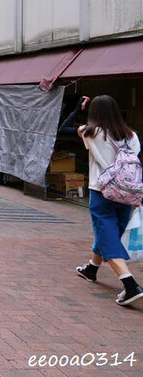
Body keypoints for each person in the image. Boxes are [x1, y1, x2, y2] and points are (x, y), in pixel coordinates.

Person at [74, 95, 143, 307]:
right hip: (127, 193)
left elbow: (66, 127)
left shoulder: (90, 132)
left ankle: (130, 285)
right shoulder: (131, 135)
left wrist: (79, 108)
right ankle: (91, 268)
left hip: (102, 192)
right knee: (109, 232)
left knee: (107, 235)